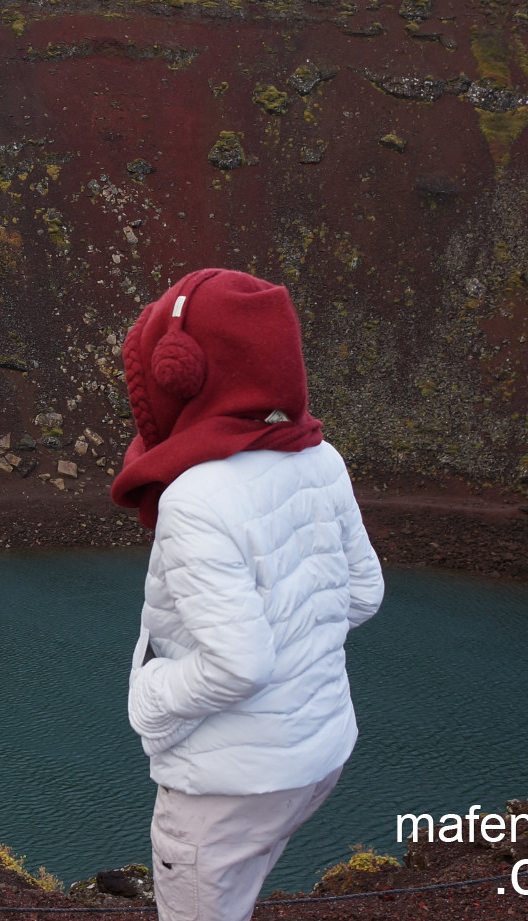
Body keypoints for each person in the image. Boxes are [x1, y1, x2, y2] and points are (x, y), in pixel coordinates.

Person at [112, 268, 383, 921]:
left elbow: (240, 663)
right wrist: (297, 639)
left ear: (183, 371)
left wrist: (149, 701)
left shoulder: (196, 497)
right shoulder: (319, 457)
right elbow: (365, 592)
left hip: (224, 786)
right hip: (314, 757)